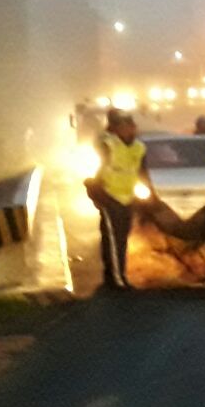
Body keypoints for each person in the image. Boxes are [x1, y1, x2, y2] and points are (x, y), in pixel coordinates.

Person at [88, 109, 154, 290]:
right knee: (112, 239)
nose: (128, 130)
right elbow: (92, 171)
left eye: (130, 126)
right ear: (115, 129)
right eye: (123, 126)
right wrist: (98, 194)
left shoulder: (138, 148)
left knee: (122, 239)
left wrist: (148, 198)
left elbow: (142, 174)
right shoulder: (107, 145)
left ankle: (119, 275)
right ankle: (116, 279)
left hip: (128, 199)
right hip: (110, 197)